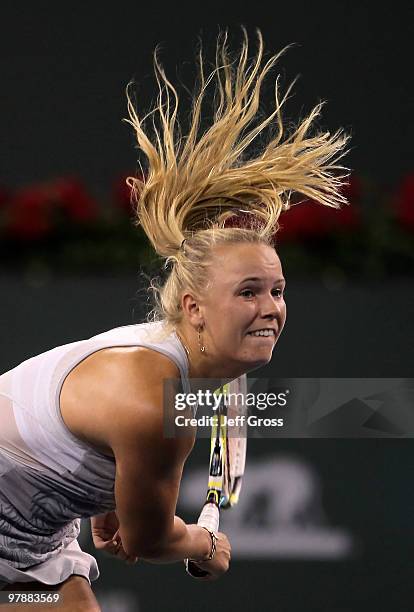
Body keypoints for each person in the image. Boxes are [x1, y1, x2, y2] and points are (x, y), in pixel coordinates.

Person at [0, 29, 348, 611]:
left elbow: (73, 433)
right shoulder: (158, 402)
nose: (271, 308)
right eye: (249, 292)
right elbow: (147, 539)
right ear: (194, 308)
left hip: (32, 533)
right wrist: (205, 543)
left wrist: (109, 494)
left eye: (278, 291)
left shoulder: (169, 367)